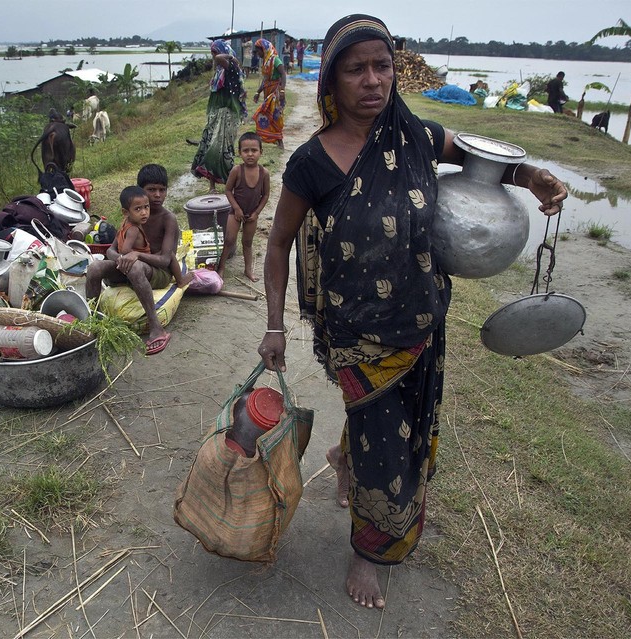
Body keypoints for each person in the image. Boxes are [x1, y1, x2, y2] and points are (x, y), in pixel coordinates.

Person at [257, 14, 568, 610]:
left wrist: (533, 177)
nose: (373, 80)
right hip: (354, 331)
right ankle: (369, 551)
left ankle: (343, 459)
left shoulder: (418, 136)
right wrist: (275, 325)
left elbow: (486, 161)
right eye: (357, 69)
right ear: (331, 80)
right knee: (387, 444)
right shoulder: (311, 163)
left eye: (383, 66)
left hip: (422, 319)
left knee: (404, 422)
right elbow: (278, 244)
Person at [86, 164, 191, 356]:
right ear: (139, 192)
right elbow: (111, 250)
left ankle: (156, 328)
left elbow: (165, 260)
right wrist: (120, 259)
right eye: (152, 190)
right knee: (94, 268)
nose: (158, 195)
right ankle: (92, 324)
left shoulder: (168, 219)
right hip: (130, 267)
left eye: (162, 190)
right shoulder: (131, 218)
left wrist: (137, 255)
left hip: (158, 272)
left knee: (135, 267)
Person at [191, 40, 247, 193]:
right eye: (212, 53)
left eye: (215, 52)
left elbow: (218, 59)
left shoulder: (231, 68)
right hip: (216, 115)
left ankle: (231, 184)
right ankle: (212, 186)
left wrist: (229, 56)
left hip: (228, 115)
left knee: (223, 149)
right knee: (211, 147)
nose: (214, 56)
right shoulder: (219, 72)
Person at [114, 185, 191, 288]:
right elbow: (125, 250)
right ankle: (180, 281)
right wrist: (133, 256)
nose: (144, 213)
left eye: (146, 207)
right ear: (126, 212)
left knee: (167, 255)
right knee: (171, 255)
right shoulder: (134, 228)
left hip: (142, 262)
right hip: (142, 265)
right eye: (138, 209)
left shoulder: (127, 222)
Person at [217, 132, 270, 281]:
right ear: (239, 153)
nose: (250, 154)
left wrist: (257, 213)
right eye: (246, 151)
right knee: (229, 240)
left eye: (254, 150)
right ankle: (221, 268)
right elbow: (228, 190)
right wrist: (237, 209)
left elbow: (265, 195)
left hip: (252, 214)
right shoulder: (236, 170)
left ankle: (248, 271)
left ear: (261, 152)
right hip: (235, 212)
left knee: (247, 242)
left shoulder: (264, 173)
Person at [252, 38, 287, 148]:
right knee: (267, 115)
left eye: (259, 51)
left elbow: (283, 74)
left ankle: (280, 140)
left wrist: (282, 90)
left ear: (264, 49)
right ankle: (266, 138)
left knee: (276, 116)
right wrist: (258, 92)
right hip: (268, 91)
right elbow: (265, 79)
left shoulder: (275, 60)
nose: (258, 54)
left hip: (275, 92)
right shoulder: (266, 62)